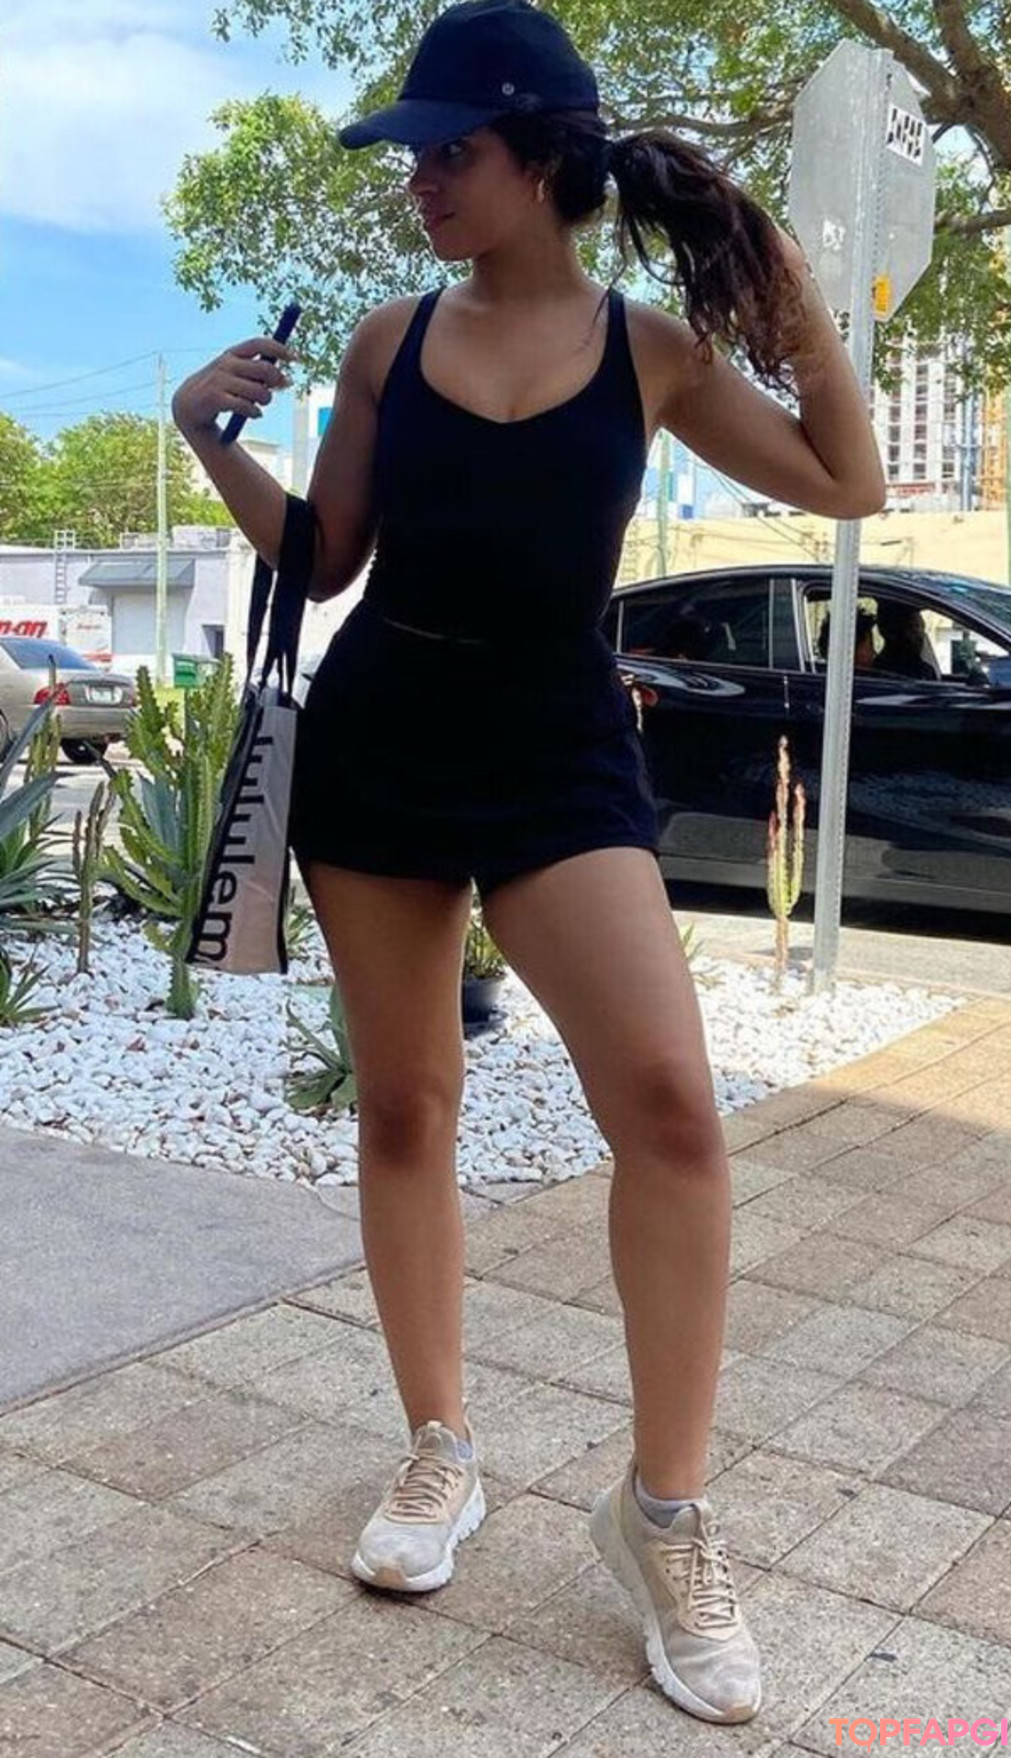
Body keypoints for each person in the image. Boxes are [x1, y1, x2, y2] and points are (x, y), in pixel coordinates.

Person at [172, 0, 885, 1725]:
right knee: (407, 1105)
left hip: (560, 744)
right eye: (414, 154)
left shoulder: (653, 352)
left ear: (543, 158)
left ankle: (664, 1515)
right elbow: (324, 560)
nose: (419, 179)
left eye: (450, 149)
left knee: (674, 1108)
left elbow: (846, 478)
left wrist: (786, 288)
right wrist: (210, 437)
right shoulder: (384, 341)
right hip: (383, 738)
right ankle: (440, 1446)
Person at [873, 600, 937, 680]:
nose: (920, 636)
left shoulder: (876, 667)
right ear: (893, 633)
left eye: (922, 628)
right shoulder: (921, 673)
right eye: (912, 629)